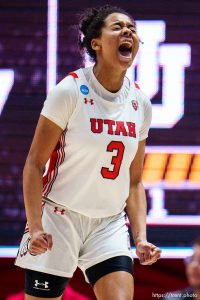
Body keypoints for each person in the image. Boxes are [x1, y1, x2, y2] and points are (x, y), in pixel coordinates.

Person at [15, 4, 161, 300]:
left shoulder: (140, 104)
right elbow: (33, 164)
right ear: (96, 43)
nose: (128, 32)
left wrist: (141, 237)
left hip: (108, 223)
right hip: (58, 216)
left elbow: (134, 181)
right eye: (118, 27)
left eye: (132, 28)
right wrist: (36, 226)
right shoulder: (69, 91)